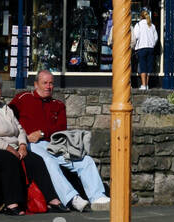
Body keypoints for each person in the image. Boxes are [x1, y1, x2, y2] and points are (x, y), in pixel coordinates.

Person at [10, 69, 109, 211]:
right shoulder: (23, 98)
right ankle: (72, 198)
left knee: (86, 160)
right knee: (49, 162)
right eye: (44, 83)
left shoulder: (58, 105)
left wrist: (42, 133)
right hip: (31, 144)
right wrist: (22, 137)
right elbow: (7, 117)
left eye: (51, 83)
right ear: (36, 84)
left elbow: (61, 130)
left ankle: (98, 197)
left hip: (54, 144)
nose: (48, 86)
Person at [0, 73, 63, 216]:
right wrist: (9, 148)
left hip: (9, 149)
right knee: (9, 159)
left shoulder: (5, 108)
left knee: (35, 160)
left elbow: (20, 130)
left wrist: (23, 146)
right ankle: (12, 204)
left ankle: (52, 199)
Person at [132, 9, 158, 91]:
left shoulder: (138, 25)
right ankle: (147, 84)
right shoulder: (152, 25)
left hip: (142, 47)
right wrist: (152, 44)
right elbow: (156, 38)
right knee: (149, 66)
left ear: (140, 17)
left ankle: (143, 85)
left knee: (143, 66)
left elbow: (135, 36)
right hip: (150, 48)